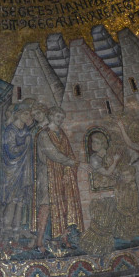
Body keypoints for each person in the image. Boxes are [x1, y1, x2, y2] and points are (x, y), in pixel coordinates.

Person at [34, 107, 83, 249]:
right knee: (46, 205)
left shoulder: (61, 134)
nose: (60, 119)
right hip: (47, 174)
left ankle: (62, 237)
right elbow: (53, 154)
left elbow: (69, 152)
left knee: (62, 205)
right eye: (57, 116)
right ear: (50, 116)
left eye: (62, 117)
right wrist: (72, 162)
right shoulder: (44, 134)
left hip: (62, 175)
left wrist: (72, 163)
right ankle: (40, 240)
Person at [0, 103, 37, 240]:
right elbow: (11, 151)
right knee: (11, 199)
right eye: (26, 113)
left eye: (30, 114)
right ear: (18, 113)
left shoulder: (26, 130)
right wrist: (25, 144)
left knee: (20, 200)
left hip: (25, 168)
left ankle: (17, 228)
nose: (29, 116)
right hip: (12, 168)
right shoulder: (10, 130)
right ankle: (7, 229)